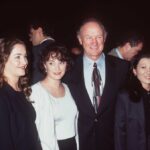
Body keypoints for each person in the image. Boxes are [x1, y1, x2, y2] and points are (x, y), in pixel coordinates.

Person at [63, 18, 129, 150]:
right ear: (80, 39)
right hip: (79, 143)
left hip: (112, 143)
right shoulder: (67, 69)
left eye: (99, 36)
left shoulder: (122, 68)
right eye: (88, 37)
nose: (94, 42)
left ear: (104, 38)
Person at [30, 43, 79, 150]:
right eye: (51, 63)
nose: (57, 68)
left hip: (72, 145)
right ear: (44, 65)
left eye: (61, 62)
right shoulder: (35, 92)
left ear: (67, 64)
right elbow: (36, 132)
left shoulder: (69, 88)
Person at [0, 38, 42, 150]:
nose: (25, 62)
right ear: (3, 59)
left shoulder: (21, 91)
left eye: (25, 56)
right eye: (18, 57)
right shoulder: (3, 96)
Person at [115, 51, 150, 150]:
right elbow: (119, 131)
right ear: (135, 71)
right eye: (143, 67)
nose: (148, 72)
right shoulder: (125, 96)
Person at [29, 20, 55, 84]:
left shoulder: (38, 50)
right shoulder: (60, 47)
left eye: (31, 34)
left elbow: (37, 79)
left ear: (39, 31)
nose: (30, 39)